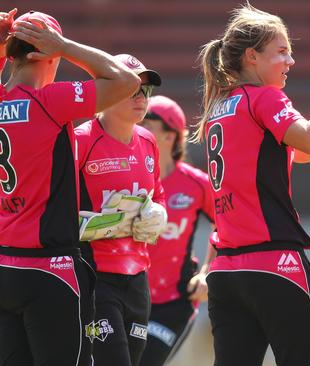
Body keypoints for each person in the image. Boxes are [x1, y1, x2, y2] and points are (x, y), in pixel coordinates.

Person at [192, 4, 310, 366]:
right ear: (252, 57)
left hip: (227, 272)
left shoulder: (221, 106)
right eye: (282, 51)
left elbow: (301, 152)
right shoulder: (263, 97)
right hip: (275, 264)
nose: (291, 61)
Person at [0, 9, 139, 366]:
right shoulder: (50, 102)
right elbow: (126, 81)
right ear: (46, 54)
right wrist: (64, 45)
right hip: (50, 270)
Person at [75, 54, 167, 366]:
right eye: (130, 89)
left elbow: (158, 195)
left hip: (138, 276)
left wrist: (157, 214)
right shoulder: (80, 140)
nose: (140, 98)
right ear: (106, 91)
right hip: (94, 276)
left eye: (144, 90)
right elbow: (56, 202)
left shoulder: (148, 141)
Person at [138, 95, 216, 366]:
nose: (137, 128)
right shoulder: (124, 174)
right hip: (125, 297)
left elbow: (228, 223)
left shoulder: (196, 184)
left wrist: (208, 273)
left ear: (171, 135)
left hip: (173, 303)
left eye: (147, 123)